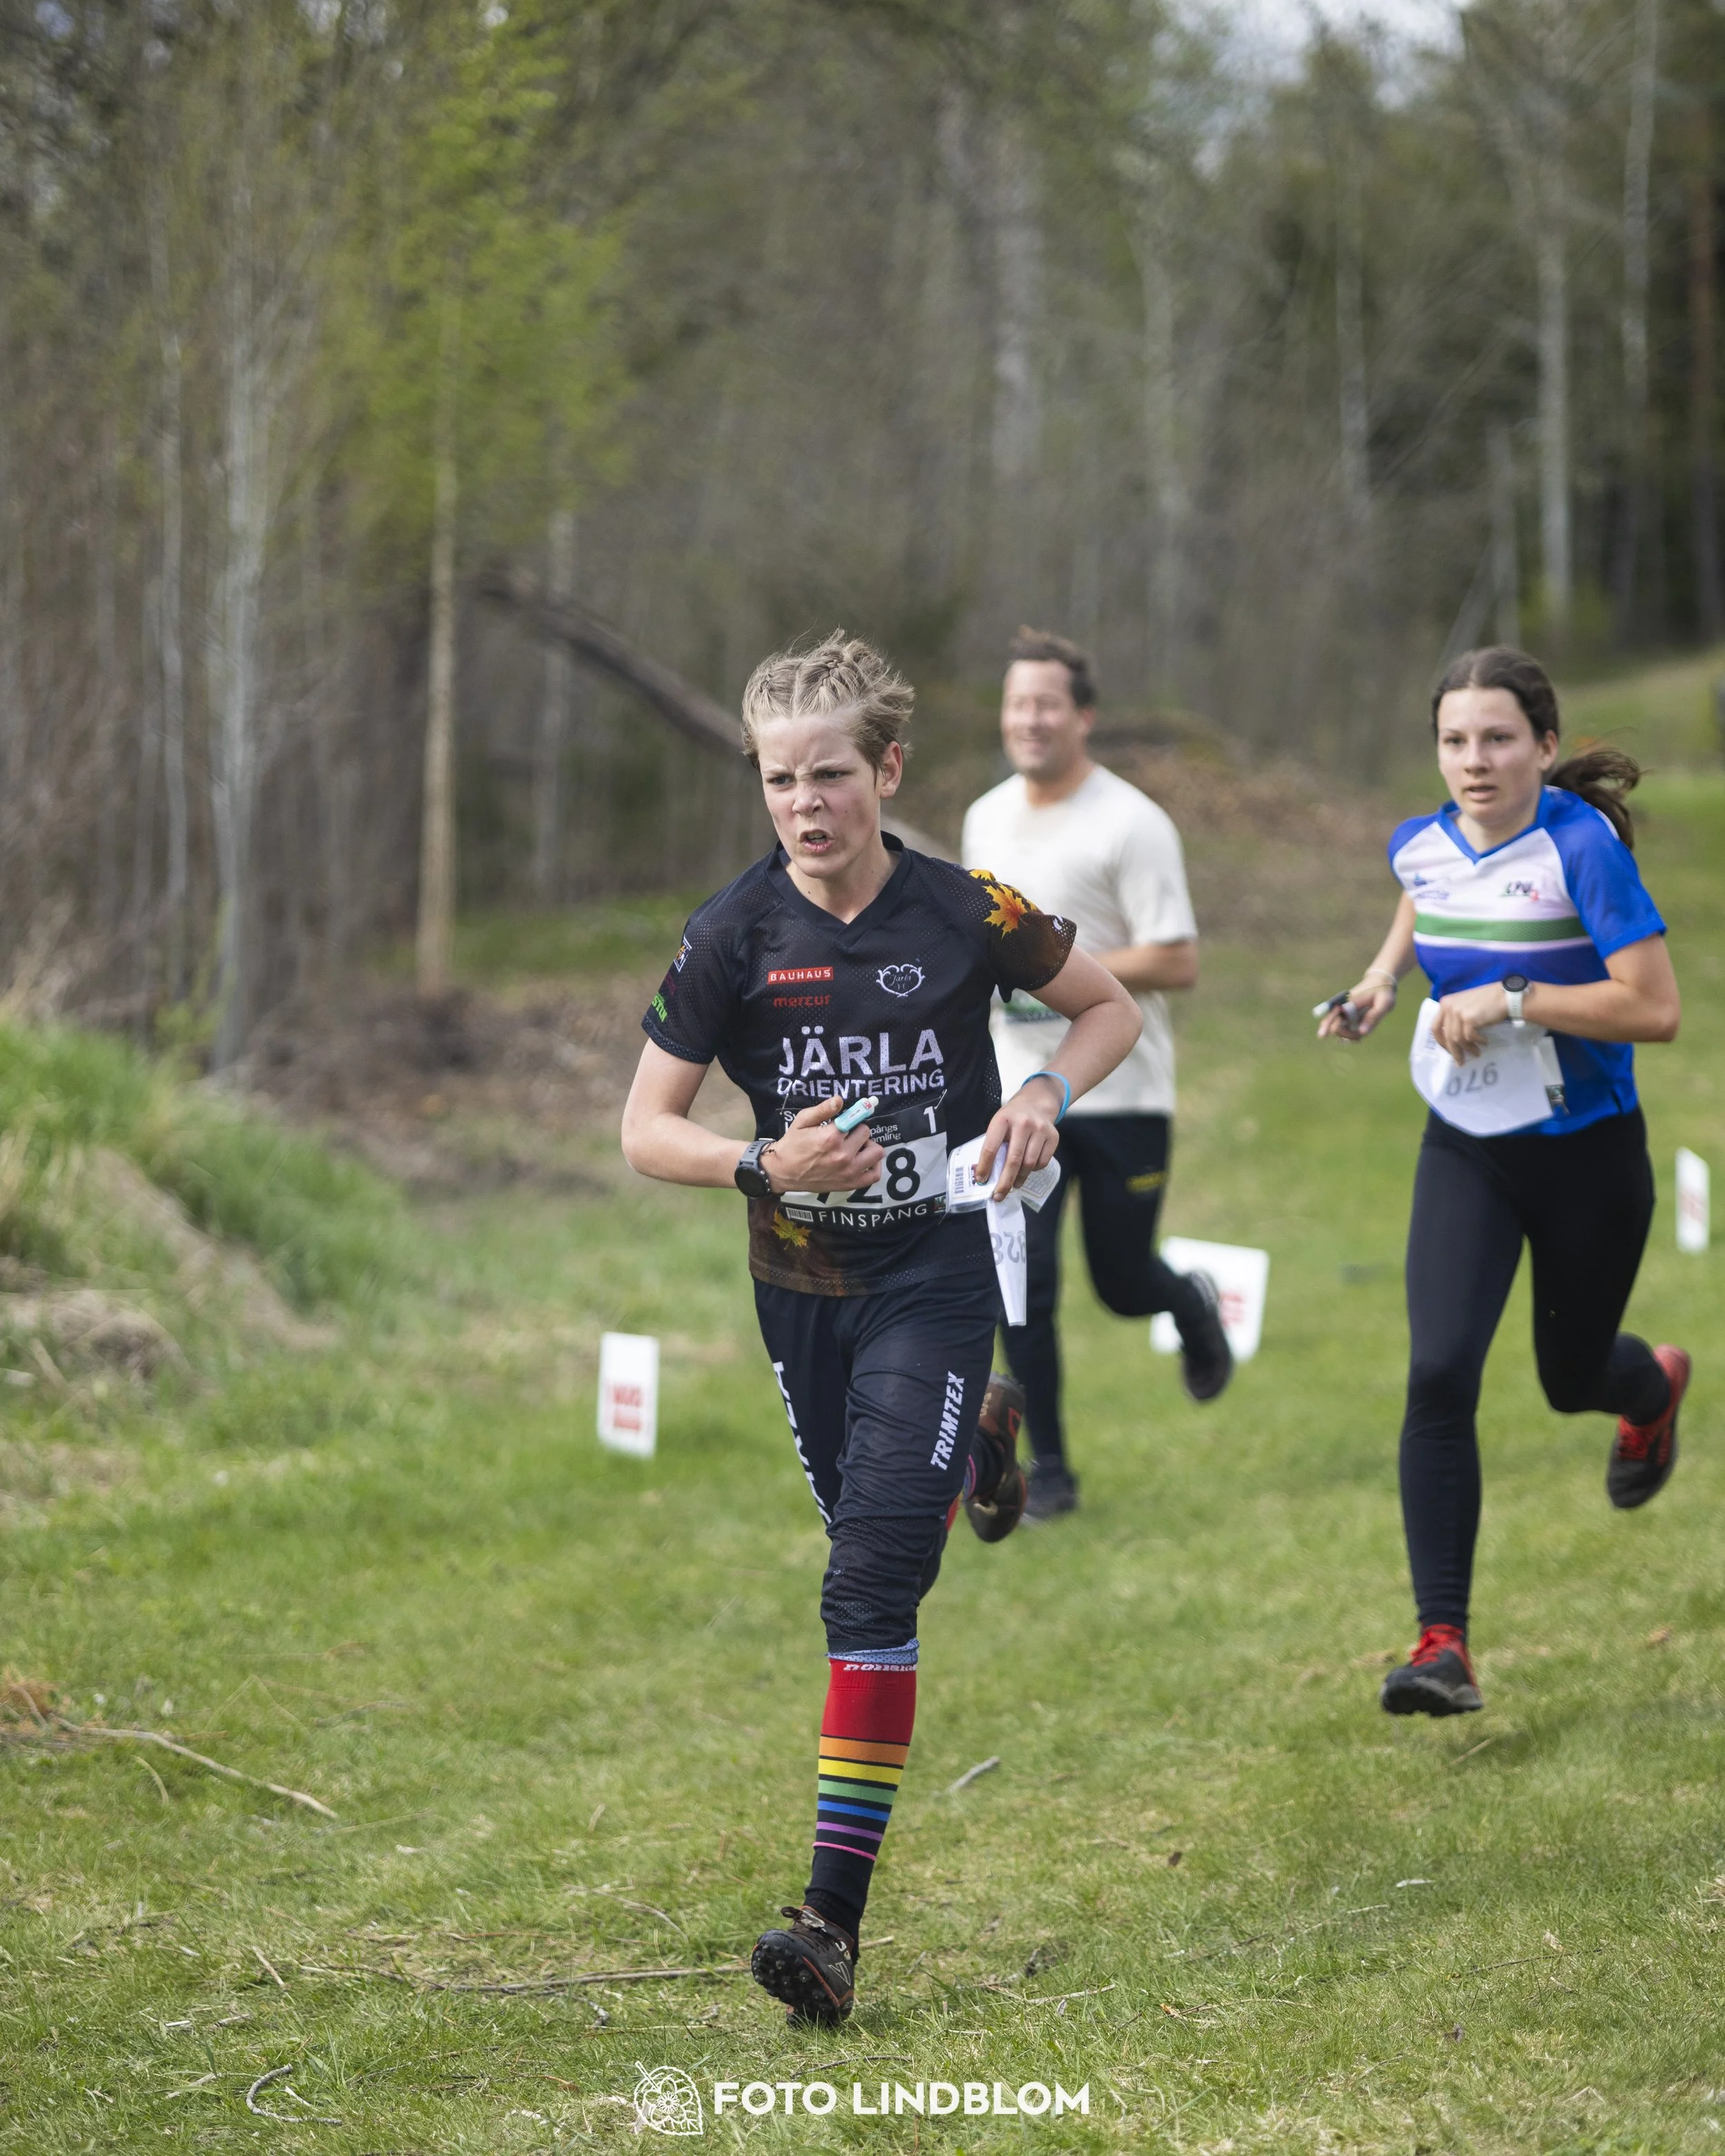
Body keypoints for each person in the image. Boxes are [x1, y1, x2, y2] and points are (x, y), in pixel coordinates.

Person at [620, 631, 1141, 2022]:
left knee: (865, 1589)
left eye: (831, 774)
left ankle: (829, 1920)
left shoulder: (962, 906)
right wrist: (759, 1165)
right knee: (866, 1529)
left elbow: (1105, 1009)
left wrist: (1040, 1101)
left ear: (887, 769)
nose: (804, 803)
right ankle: (977, 1432)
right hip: (800, 1293)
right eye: (780, 779)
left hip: (937, 1269)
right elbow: (644, 1129)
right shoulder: (734, 932)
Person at [1319, 645, 1688, 1719]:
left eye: (1495, 739)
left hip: (1586, 1154)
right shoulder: (1420, 843)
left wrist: (1516, 995)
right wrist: (1383, 981)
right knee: (1438, 1373)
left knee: (1569, 1378)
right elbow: (1418, 898)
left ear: (1544, 746)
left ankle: (1650, 1386)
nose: (1473, 762)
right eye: (1453, 741)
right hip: (1467, 1143)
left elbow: (1654, 1010)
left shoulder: (1582, 850)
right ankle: (1443, 1645)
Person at [961, 629, 1232, 1521]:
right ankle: (1052, 1474)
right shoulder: (985, 818)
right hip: (1017, 1091)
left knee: (1121, 1283)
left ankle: (1186, 1302)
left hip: (1123, 1088)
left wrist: (1060, 979)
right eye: (1015, 704)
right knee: (1023, 1285)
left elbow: (1179, 961)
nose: (1028, 720)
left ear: (1083, 716)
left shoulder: (1132, 823)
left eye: (1045, 704)